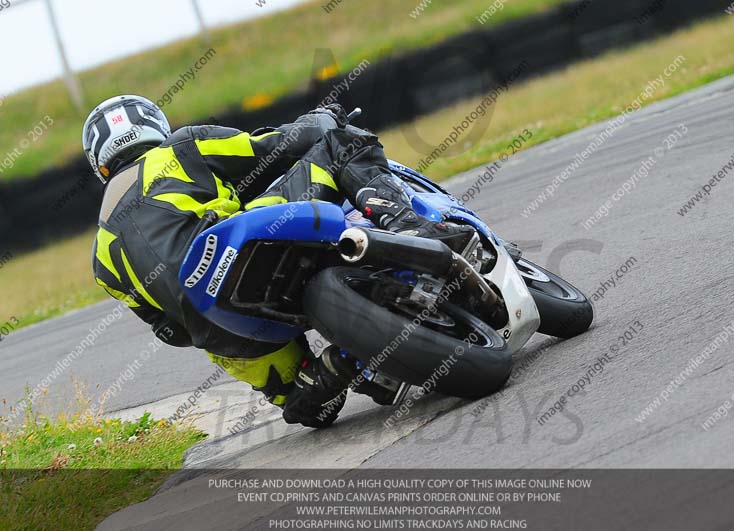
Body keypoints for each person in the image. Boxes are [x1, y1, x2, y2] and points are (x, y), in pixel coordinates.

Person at [83, 95, 472, 428]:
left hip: (224, 329)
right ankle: (409, 226)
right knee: (340, 145)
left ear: (99, 161)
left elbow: (170, 332)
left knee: (314, 407)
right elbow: (281, 144)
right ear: (155, 126)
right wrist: (325, 116)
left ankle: (326, 373)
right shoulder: (180, 148)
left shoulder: (100, 259)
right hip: (245, 250)